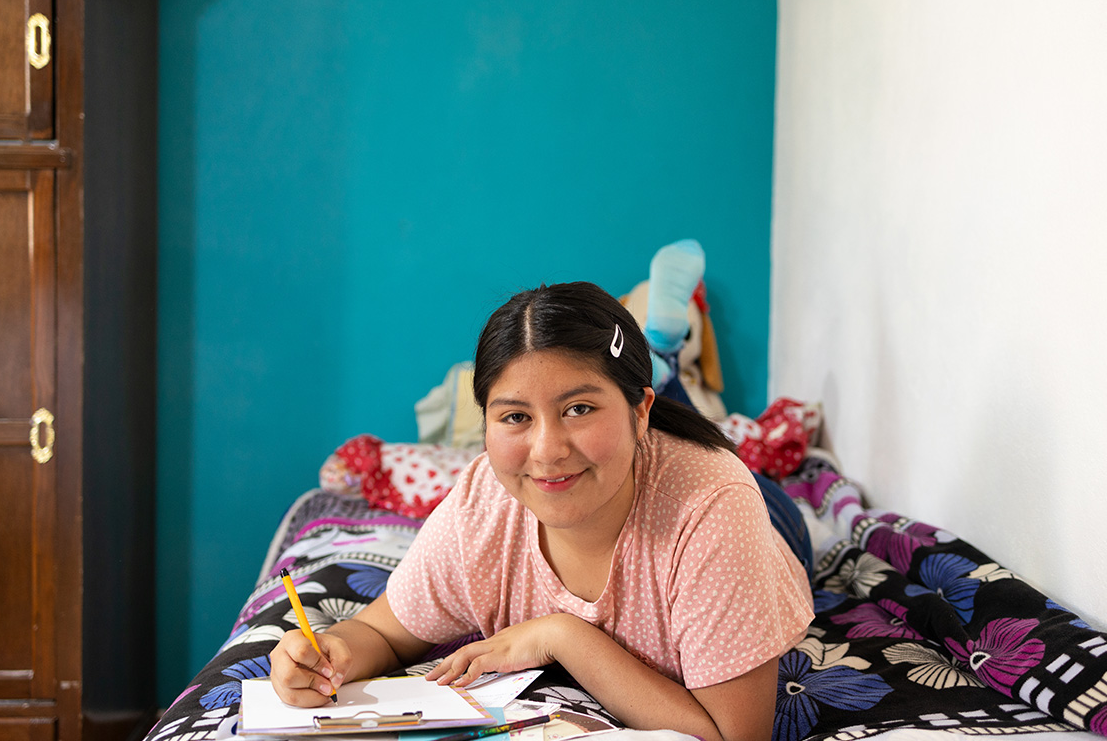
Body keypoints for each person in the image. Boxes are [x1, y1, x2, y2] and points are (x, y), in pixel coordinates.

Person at [270, 249, 814, 741]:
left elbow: (732, 737)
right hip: (637, 446)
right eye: (515, 417)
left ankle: (664, 372)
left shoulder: (712, 506)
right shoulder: (482, 505)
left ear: (637, 410)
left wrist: (564, 636)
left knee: (726, 457)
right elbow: (378, 633)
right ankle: (659, 366)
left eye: (579, 408)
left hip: (772, 519)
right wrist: (329, 655)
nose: (547, 450)